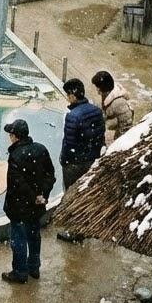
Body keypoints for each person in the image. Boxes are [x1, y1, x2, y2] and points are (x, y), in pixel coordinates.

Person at [1, 119, 55, 284]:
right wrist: (42, 195)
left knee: (18, 238)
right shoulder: (40, 149)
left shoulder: (16, 156)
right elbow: (50, 175)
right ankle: (34, 267)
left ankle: (20, 272)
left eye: (11, 134)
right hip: (36, 206)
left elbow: (18, 183)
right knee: (34, 235)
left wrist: (33, 196)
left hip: (19, 206)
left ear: (15, 136)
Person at [57, 78, 106, 243]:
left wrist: (64, 160)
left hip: (75, 163)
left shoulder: (73, 116)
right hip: (91, 159)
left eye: (68, 95)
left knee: (71, 195)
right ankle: (87, 227)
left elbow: (69, 143)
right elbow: (100, 136)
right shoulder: (96, 111)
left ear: (72, 95)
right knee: (86, 193)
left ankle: (74, 231)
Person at [90, 70, 134, 141]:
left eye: (98, 88)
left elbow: (126, 126)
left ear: (104, 88)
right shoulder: (106, 95)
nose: (97, 90)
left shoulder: (119, 103)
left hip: (118, 137)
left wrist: (116, 142)